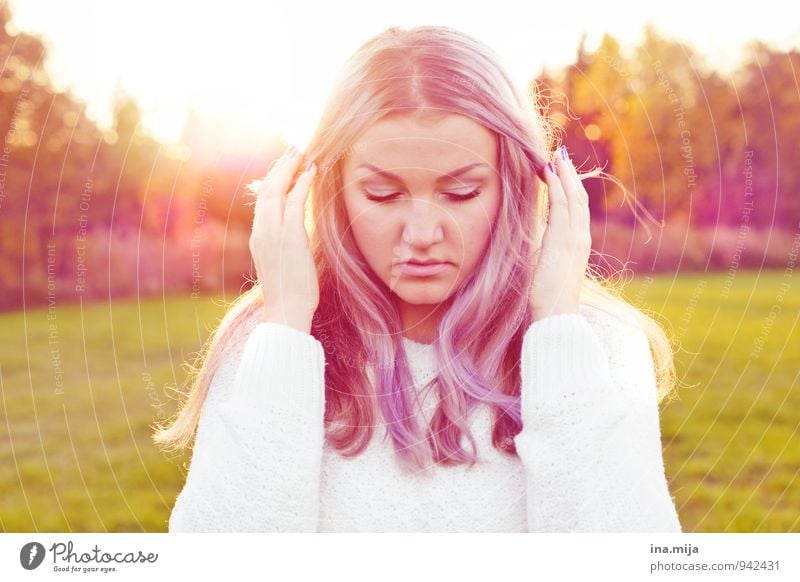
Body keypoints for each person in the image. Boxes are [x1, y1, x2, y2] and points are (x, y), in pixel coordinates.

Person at [153, 24, 683, 533]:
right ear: (332, 189)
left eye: (461, 193)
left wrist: (559, 331)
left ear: (515, 187)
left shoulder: (601, 344)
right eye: (382, 195)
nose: (424, 233)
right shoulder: (266, 343)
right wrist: (287, 325)